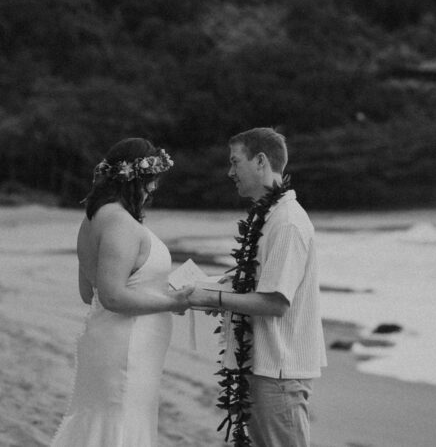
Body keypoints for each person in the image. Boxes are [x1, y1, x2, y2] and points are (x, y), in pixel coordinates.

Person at [188, 127, 327, 447]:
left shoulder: (287, 221)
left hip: (279, 370)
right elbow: (261, 283)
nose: (230, 172)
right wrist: (220, 288)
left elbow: (276, 303)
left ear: (261, 161)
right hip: (263, 366)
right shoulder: (268, 218)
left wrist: (211, 297)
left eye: (235, 162)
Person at [51, 137, 192, 447]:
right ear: (139, 178)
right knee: (118, 431)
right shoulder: (120, 223)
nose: (153, 190)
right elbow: (112, 296)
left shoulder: (93, 219)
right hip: (126, 350)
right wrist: (173, 301)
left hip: (116, 344)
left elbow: (89, 292)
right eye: (152, 181)